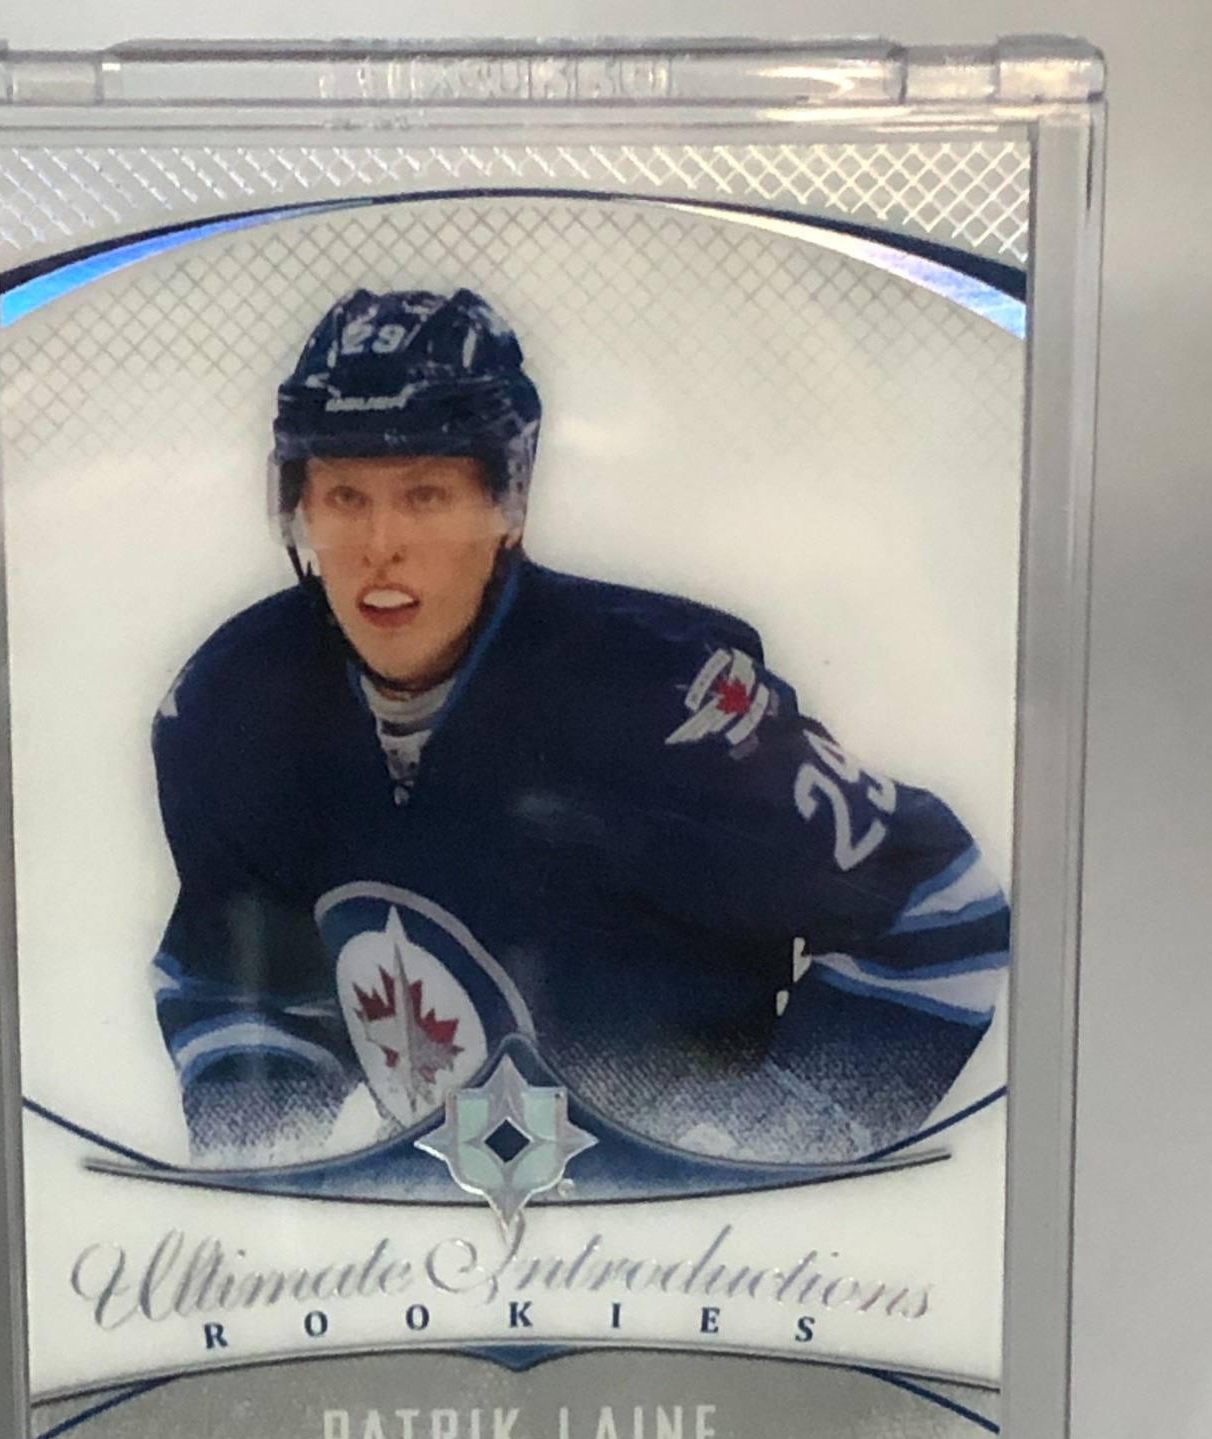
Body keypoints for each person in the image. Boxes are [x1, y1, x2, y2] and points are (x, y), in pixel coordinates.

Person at [151, 286, 1008, 1166]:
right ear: (299, 508)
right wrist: (268, 1167)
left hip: (686, 1234)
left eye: (427, 496)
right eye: (344, 497)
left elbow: (940, 906)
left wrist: (770, 1146)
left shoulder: (661, 703)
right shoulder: (236, 704)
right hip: (438, 1225)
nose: (379, 545)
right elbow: (239, 978)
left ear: (507, 507)